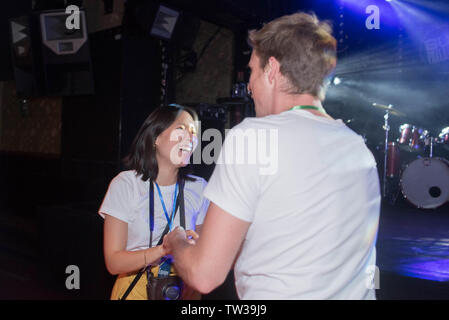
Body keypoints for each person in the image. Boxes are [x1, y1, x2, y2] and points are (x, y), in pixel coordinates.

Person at [162, 13, 381, 299]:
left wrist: (176, 241)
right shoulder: (358, 148)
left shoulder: (253, 137)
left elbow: (205, 275)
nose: (249, 86)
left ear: (273, 70)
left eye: (252, 71)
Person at [98, 104, 209, 300]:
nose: (190, 137)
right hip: (136, 290)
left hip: (184, 291)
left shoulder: (199, 188)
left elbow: (203, 257)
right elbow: (113, 262)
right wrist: (164, 249)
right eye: (181, 129)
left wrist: (196, 247)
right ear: (155, 138)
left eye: (193, 132)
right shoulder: (126, 184)